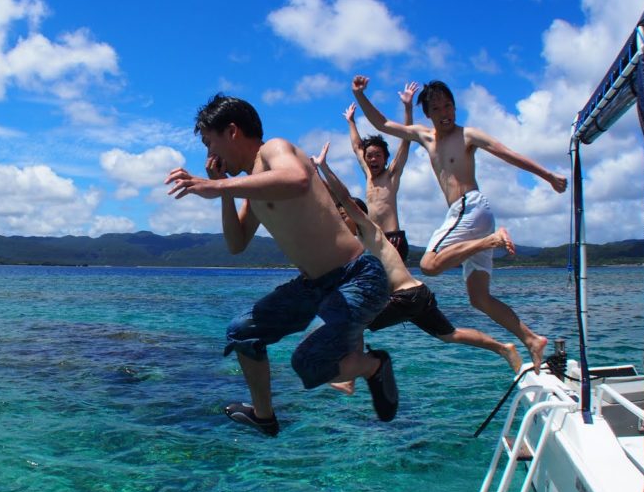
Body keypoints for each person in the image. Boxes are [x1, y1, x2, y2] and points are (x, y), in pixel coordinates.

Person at [164, 93, 397, 435]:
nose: (208, 156)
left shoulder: (274, 149)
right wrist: (225, 192)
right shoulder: (250, 187)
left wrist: (217, 184)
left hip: (357, 277)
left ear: (232, 132)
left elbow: (297, 179)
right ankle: (264, 416)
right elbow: (236, 244)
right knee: (241, 332)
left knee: (307, 363)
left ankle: (374, 365)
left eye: (209, 143)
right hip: (311, 286)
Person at [349, 75, 568, 371]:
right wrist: (360, 96)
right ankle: (531, 339)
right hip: (472, 217)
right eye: (437, 109)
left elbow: (507, 153)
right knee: (479, 298)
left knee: (428, 264)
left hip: (470, 207)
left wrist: (548, 176)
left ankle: (493, 241)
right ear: (428, 114)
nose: (445, 113)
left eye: (449, 106)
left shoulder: (467, 135)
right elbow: (382, 125)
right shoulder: (425, 137)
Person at [313, 142, 522, 383]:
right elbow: (335, 202)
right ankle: (503, 348)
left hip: (406, 298)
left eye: (344, 215)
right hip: (417, 294)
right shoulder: (356, 247)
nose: (341, 219)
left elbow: (343, 197)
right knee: (450, 334)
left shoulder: (369, 231)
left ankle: (350, 376)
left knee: (354, 320)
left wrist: (323, 168)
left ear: (358, 215)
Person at [343, 82, 417, 262]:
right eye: (370, 156)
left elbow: (406, 139)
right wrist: (351, 122)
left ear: (385, 158)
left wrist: (407, 107)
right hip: (374, 239)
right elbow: (356, 147)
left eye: (378, 155)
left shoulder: (391, 175)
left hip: (394, 238)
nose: (373, 159)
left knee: (393, 283)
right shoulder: (368, 176)